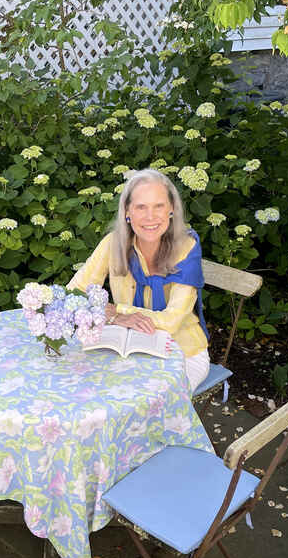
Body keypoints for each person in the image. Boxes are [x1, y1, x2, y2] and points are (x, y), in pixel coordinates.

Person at [68, 168, 210, 392]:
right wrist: (116, 317)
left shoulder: (187, 248)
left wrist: (117, 312)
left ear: (171, 209)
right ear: (127, 212)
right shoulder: (113, 243)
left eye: (158, 206)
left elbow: (171, 321)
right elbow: (72, 294)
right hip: (126, 345)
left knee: (149, 403)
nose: (150, 217)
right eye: (141, 207)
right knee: (87, 389)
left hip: (182, 350)